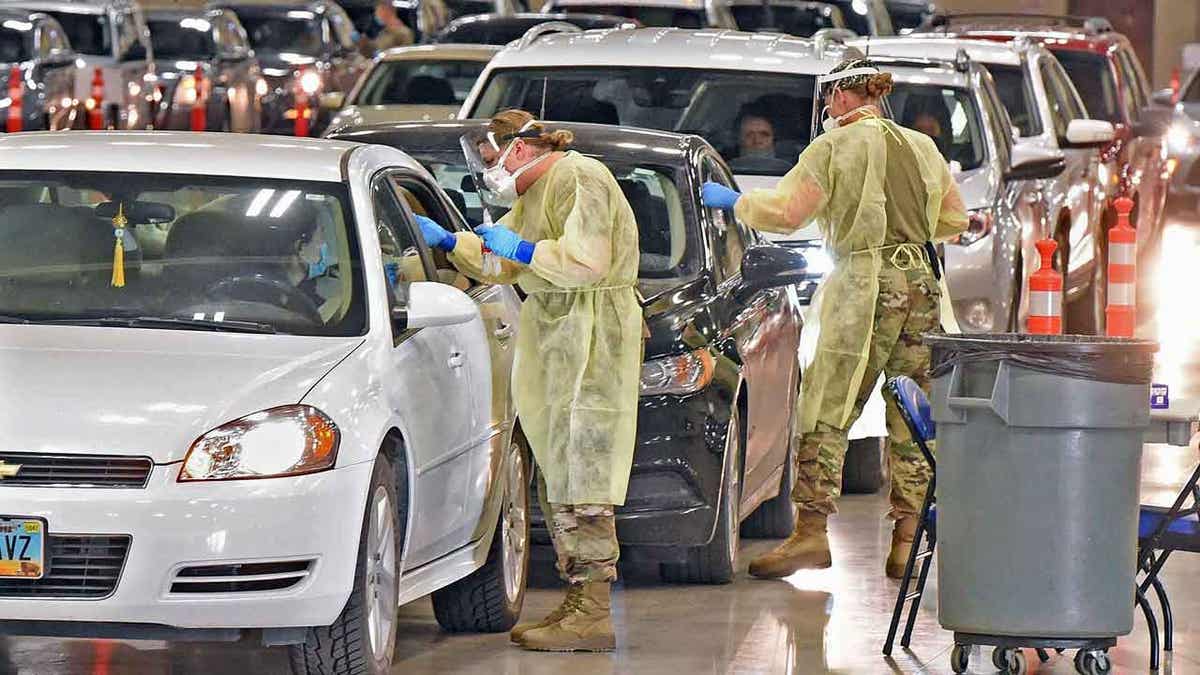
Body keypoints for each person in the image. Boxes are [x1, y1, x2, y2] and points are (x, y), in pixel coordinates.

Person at [700, 58, 967, 580]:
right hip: (922, 285)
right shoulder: (922, 147)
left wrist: (738, 201)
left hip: (865, 288)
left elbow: (787, 213)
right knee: (913, 414)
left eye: (828, 97)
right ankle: (908, 539)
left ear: (843, 97)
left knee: (826, 406)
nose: (825, 107)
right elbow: (952, 220)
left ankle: (811, 533)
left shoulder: (832, 147)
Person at [415, 109, 642, 652]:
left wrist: (519, 250)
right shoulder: (536, 193)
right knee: (562, 471)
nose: (491, 169)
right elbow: (499, 261)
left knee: (584, 475)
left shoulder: (580, 177)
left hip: (592, 341)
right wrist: (451, 243)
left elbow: (585, 262)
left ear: (520, 148)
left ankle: (592, 612)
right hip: (561, 335)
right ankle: (579, 600)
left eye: (493, 158)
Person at [731, 111, 795, 174]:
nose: (757, 141)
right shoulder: (725, 172)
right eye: (749, 135)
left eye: (764, 134)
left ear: (774, 138)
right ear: (739, 139)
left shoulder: (793, 172)